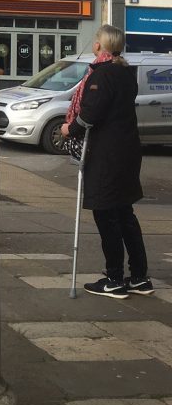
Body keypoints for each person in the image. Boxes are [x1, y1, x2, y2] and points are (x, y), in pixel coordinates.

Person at [61, 24, 153, 299]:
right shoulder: (126, 72)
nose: (94, 44)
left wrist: (69, 129)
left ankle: (114, 278)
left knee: (105, 212)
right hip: (126, 151)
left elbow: (90, 115)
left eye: (96, 40)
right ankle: (139, 276)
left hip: (106, 155)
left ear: (101, 45)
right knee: (124, 214)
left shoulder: (103, 74)